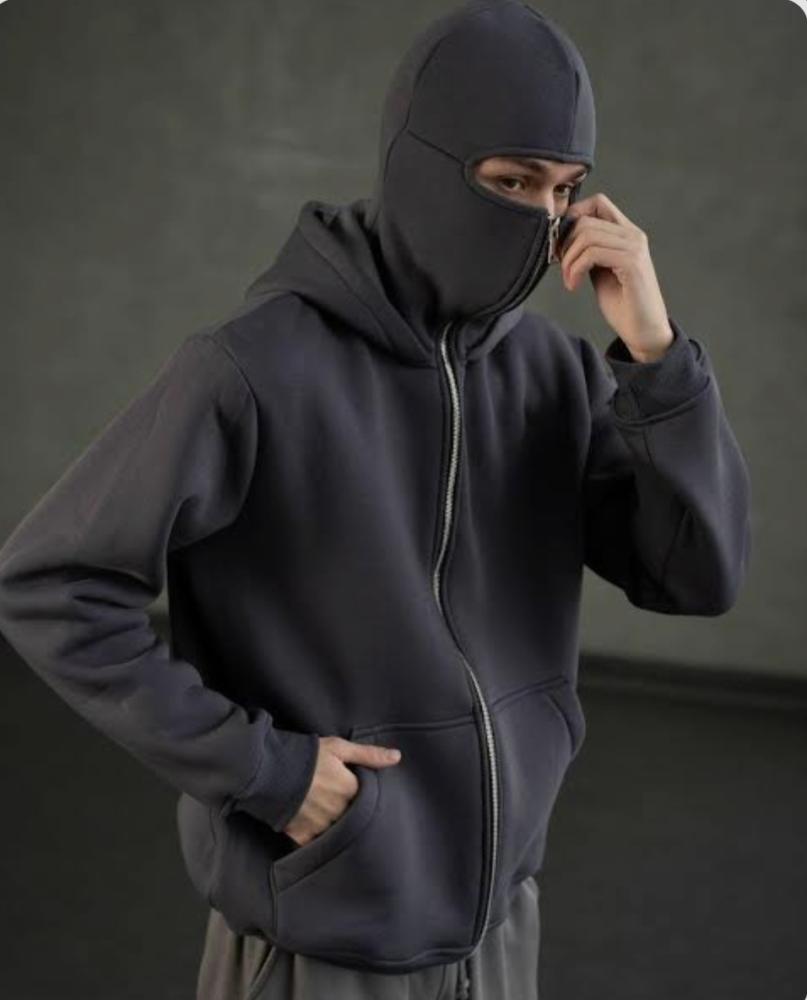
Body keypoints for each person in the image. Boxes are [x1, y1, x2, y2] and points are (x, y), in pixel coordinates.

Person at [0, 1, 751, 998]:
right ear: (423, 163)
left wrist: (658, 361)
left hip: (500, 923)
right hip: (323, 933)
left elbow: (696, 576)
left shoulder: (556, 377)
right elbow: (50, 586)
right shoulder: (257, 369)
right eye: (511, 180)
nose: (542, 219)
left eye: (565, 189)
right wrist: (266, 771)